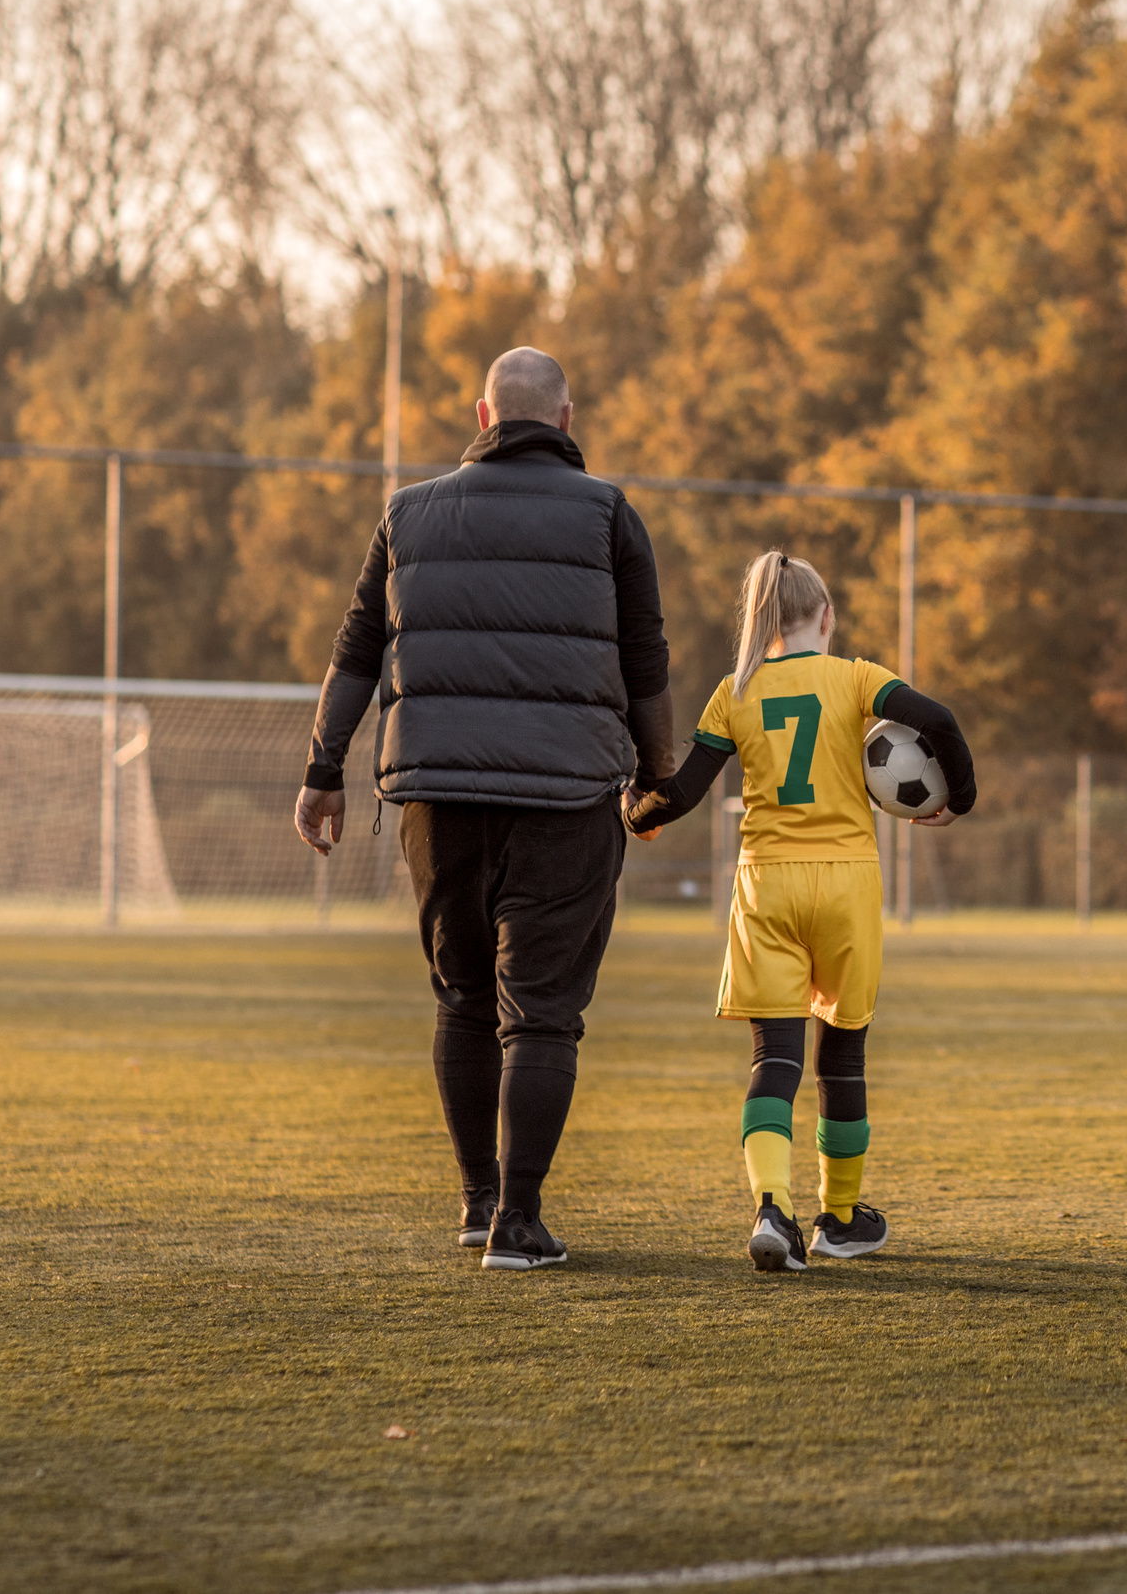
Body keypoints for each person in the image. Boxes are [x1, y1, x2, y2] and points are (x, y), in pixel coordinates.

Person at [291, 347, 677, 1273]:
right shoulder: (609, 514)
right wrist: (655, 774)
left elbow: (356, 652)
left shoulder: (407, 512)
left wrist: (322, 769)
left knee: (463, 999)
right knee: (539, 1014)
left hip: (437, 795)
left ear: (482, 413)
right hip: (568, 795)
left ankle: (478, 1203)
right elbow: (646, 658)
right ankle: (519, 1222)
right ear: (567, 417)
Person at [627, 550, 976, 1272]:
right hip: (846, 886)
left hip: (768, 887)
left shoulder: (736, 689)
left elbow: (683, 791)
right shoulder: (855, 677)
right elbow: (938, 720)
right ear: (826, 615)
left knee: (773, 1058)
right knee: (841, 1054)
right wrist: (958, 802)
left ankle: (773, 1210)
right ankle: (842, 1220)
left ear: (761, 620)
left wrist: (637, 812)